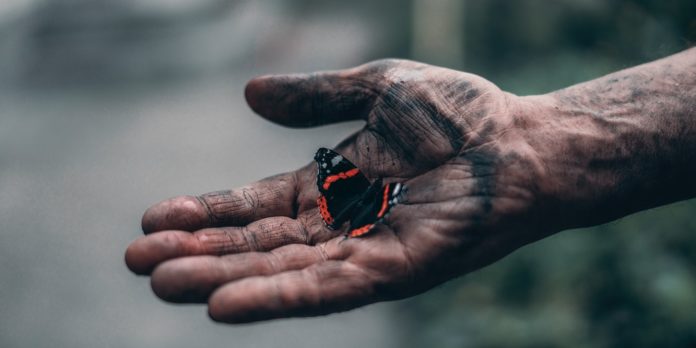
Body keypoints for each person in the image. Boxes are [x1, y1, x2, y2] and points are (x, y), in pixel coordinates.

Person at [125, 48, 696, 323]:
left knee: (353, 206)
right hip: (372, 210)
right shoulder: (377, 191)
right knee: (359, 208)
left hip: (363, 208)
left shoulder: (355, 186)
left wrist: (528, 141)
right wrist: (530, 137)